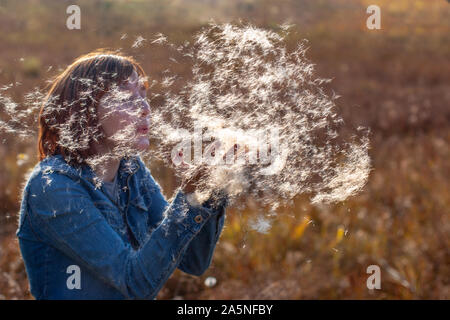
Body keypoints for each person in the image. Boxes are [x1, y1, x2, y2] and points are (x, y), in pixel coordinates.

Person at [16, 49, 229, 300]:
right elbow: (133, 283)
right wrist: (188, 196)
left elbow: (193, 261)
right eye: (126, 97)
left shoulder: (131, 170)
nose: (145, 108)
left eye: (143, 93)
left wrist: (208, 189)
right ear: (86, 109)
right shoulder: (52, 187)